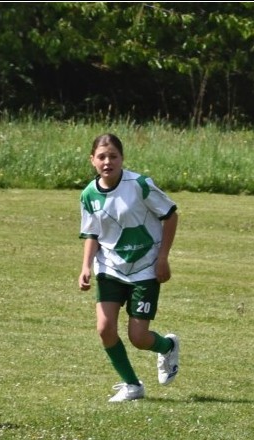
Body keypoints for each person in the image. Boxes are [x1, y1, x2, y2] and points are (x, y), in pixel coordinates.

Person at [78, 133, 181, 402]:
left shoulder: (139, 185)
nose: (107, 161)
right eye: (101, 156)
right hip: (110, 268)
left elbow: (170, 215)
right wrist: (86, 266)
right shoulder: (89, 195)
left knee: (138, 337)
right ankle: (132, 385)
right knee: (104, 328)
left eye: (113, 156)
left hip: (145, 269)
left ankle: (168, 347)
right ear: (92, 160)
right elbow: (91, 234)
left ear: (122, 159)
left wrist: (163, 257)